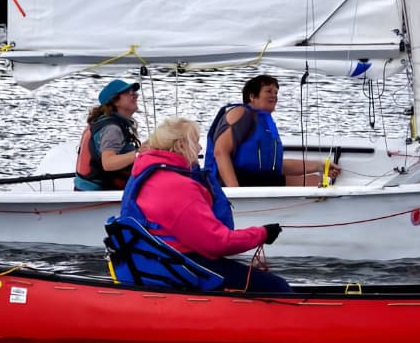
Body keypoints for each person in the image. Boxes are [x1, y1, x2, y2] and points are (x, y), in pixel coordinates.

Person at [106, 117, 291, 293]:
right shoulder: (177, 186)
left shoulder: (144, 173)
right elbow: (216, 243)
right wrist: (262, 233)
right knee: (277, 286)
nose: (200, 146)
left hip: (157, 262)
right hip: (179, 265)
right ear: (180, 145)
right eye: (195, 141)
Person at [205, 74, 339, 187]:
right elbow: (220, 151)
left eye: (276, 92)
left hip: (258, 180)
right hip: (238, 181)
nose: (274, 96)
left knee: (317, 180)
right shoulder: (240, 113)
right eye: (268, 91)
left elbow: (276, 166)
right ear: (252, 96)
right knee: (314, 182)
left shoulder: (264, 122)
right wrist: (235, 192)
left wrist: (320, 166)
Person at [74, 78, 144, 191]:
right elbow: (108, 163)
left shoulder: (105, 122)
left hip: (86, 188)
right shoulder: (112, 129)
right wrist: (140, 153)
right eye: (128, 92)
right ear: (115, 101)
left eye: (134, 92)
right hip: (98, 194)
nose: (135, 95)